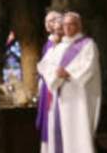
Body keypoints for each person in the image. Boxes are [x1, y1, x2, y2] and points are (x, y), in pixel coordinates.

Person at [37, 12, 101, 153]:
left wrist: (69, 73)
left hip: (78, 98)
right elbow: (44, 66)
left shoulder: (88, 45)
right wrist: (56, 74)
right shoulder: (58, 47)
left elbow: (89, 67)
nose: (67, 28)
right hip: (60, 98)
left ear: (79, 25)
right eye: (64, 24)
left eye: (71, 24)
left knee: (78, 132)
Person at [36, 11, 63, 152]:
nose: (50, 24)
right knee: (50, 123)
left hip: (61, 87)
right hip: (48, 88)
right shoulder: (47, 45)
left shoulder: (66, 43)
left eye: (53, 20)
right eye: (47, 21)